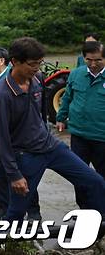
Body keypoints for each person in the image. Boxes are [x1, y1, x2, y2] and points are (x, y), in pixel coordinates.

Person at [0, 37, 105, 221]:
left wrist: (46, 133)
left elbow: (41, 113)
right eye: (32, 64)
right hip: (27, 155)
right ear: (14, 62)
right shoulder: (3, 94)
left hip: (52, 147)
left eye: (39, 63)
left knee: (95, 181)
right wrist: (14, 175)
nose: (37, 68)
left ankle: (98, 222)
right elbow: (2, 138)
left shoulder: (37, 78)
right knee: (17, 209)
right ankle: (6, 242)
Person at [0, 46, 41, 221]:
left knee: (24, 175)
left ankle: (33, 211)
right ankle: (3, 207)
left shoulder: (15, 80)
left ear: (2, 61)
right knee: (0, 175)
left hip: (16, 140)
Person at [56, 41, 105, 208]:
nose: (93, 64)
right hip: (79, 136)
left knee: (102, 176)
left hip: (102, 137)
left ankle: (102, 212)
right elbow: (67, 97)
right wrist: (61, 118)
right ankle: (84, 209)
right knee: (79, 175)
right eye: (89, 60)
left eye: (98, 60)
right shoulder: (76, 74)